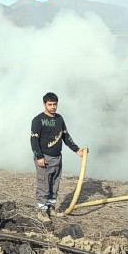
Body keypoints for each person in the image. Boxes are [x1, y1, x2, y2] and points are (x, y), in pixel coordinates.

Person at [30, 92, 86, 223]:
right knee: (44, 184)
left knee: (55, 184)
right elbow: (33, 140)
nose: (53, 107)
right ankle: (42, 211)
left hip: (57, 157)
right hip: (44, 157)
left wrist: (76, 149)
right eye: (50, 104)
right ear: (44, 104)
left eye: (55, 104)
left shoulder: (59, 119)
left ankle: (51, 208)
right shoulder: (38, 120)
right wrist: (39, 156)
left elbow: (65, 136)